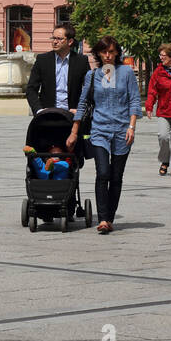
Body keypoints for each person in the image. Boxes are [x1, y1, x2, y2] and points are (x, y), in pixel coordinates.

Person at [67, 36, 140, 234]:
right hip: (99, 129)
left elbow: (134, 100)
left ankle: (109, 217)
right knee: (103, 173)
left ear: (117, 53)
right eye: (104, 52)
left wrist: (131, 127)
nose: (108, 56)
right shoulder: (93, 75)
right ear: (98, 54)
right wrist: (74, 132)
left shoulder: (126, 72)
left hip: (122, 129)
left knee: (116, 176)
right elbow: (82, 103)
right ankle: (103, 218)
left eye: (111, 51)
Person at [25, 23, 90, 114]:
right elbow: (31, 89)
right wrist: (39, 110)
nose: (55, 42)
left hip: (72, 114)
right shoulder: (42, 60)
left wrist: (81, 110)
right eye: (53, 38)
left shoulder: (81, 61)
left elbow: (90, 89)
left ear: (70, 41)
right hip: (47, 113)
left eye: (59, 39)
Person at [144, 43, 171, 178]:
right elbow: (152, 90)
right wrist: (149, 106)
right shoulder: (158, 72)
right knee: (163, 136)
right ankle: (164, 160)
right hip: (163, 110)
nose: (161, 57)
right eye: (160, 55)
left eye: (163, 55)